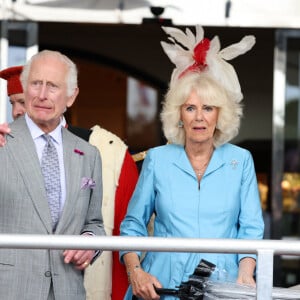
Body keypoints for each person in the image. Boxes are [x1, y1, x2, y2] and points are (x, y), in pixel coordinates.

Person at [120, 25, 265, 300]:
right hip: (161, 285)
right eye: (190, 108)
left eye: (208, 108)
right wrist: (135, 272)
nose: (199, 117)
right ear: (179, 115)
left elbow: (251, 229)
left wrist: (246, 272)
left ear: (220, 116)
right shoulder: (157, 159)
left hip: (222, 286)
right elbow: (132, 225)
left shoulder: (240, 161)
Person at [0, 63, 139, 299]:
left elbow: (101, 223)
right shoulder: (4, 146)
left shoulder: (96, 150)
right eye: (12, 103)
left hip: (71, 287)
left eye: (22, 102)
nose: (16, 111)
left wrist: (89, 242)